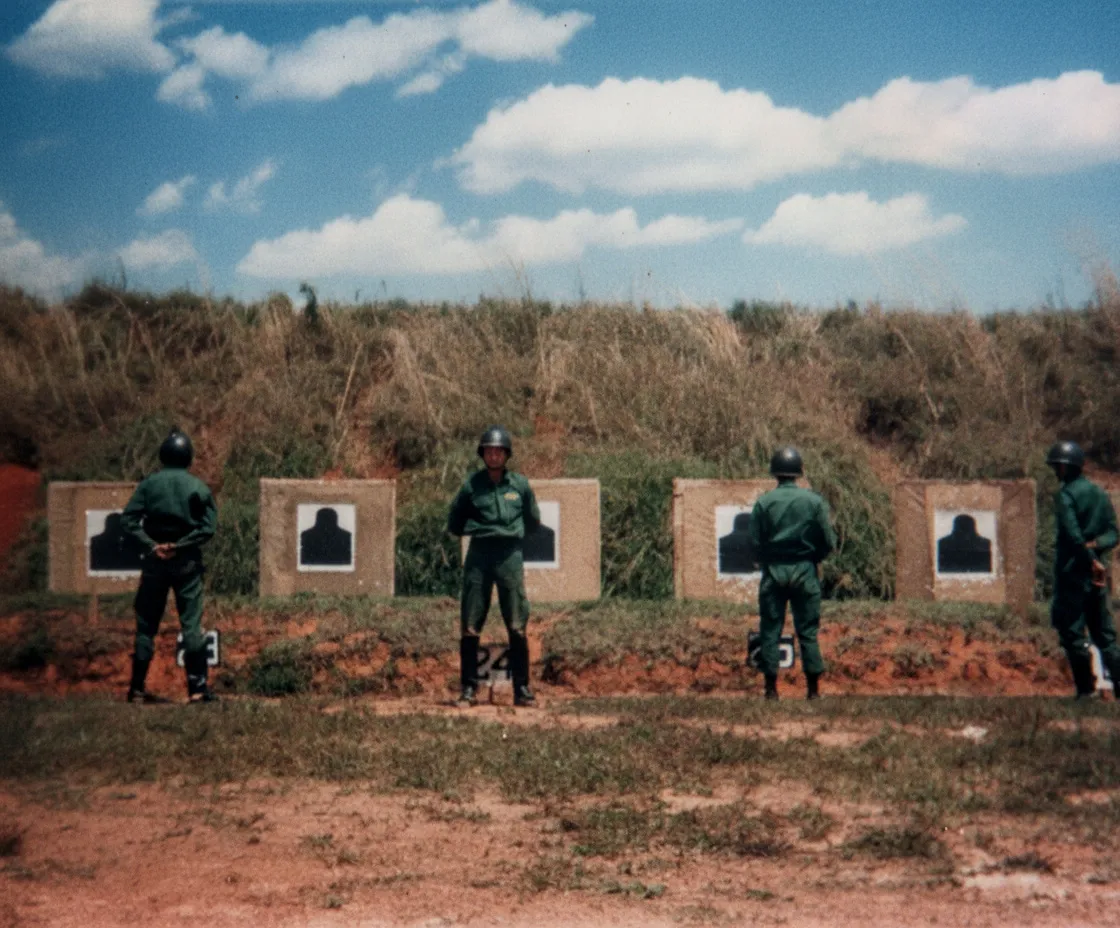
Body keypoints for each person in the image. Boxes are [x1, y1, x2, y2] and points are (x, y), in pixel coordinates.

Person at [120, 428, 219, 704]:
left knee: (146, 625)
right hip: (186, 563)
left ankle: (137, 689)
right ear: (189, 457)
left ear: (163, 456)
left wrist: (152, 544)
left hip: (154, 563)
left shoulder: (148, 485)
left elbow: (128, 521)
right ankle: (197, 690)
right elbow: (208, 528)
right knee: (191, 624)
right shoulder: (197, 487)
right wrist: (180, 545)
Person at [447, 426, 541, 708]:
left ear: (507, 454)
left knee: (516, 621)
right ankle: (467, 690)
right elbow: (454, 520)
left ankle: (521, 689)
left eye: (499, 451)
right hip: (479, 554)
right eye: (489, 450)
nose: (494, 455)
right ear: (482, 454)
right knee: (471, 622)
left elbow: (533, 520)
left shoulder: (520, 485)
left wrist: (511, 534)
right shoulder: (471, 485)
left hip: (510, 555)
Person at [748, 446, 836, 700]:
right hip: (805, 570)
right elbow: (828, 540)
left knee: (770, 630)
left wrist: (766, 561)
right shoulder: (815, 501)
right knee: (807, 631)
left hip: (774, 571)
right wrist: (813, 559)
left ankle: (771, 690)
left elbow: (754, 543)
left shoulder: (763, 502)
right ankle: (813, 691)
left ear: (775, 472)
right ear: (799, 472)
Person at [1046, 440, 1120, 699]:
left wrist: (1088, 557)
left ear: (1065, 468)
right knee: (1105, 635)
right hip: (1097, 576)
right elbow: (1113, 533)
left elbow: (1072, 534)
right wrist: (1097, 551)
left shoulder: (1065, 495)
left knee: (1072, 632)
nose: (1056, 471)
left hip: (1073, 572)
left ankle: (1085, 690)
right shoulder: (1100, 493)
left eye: (1057, 466)